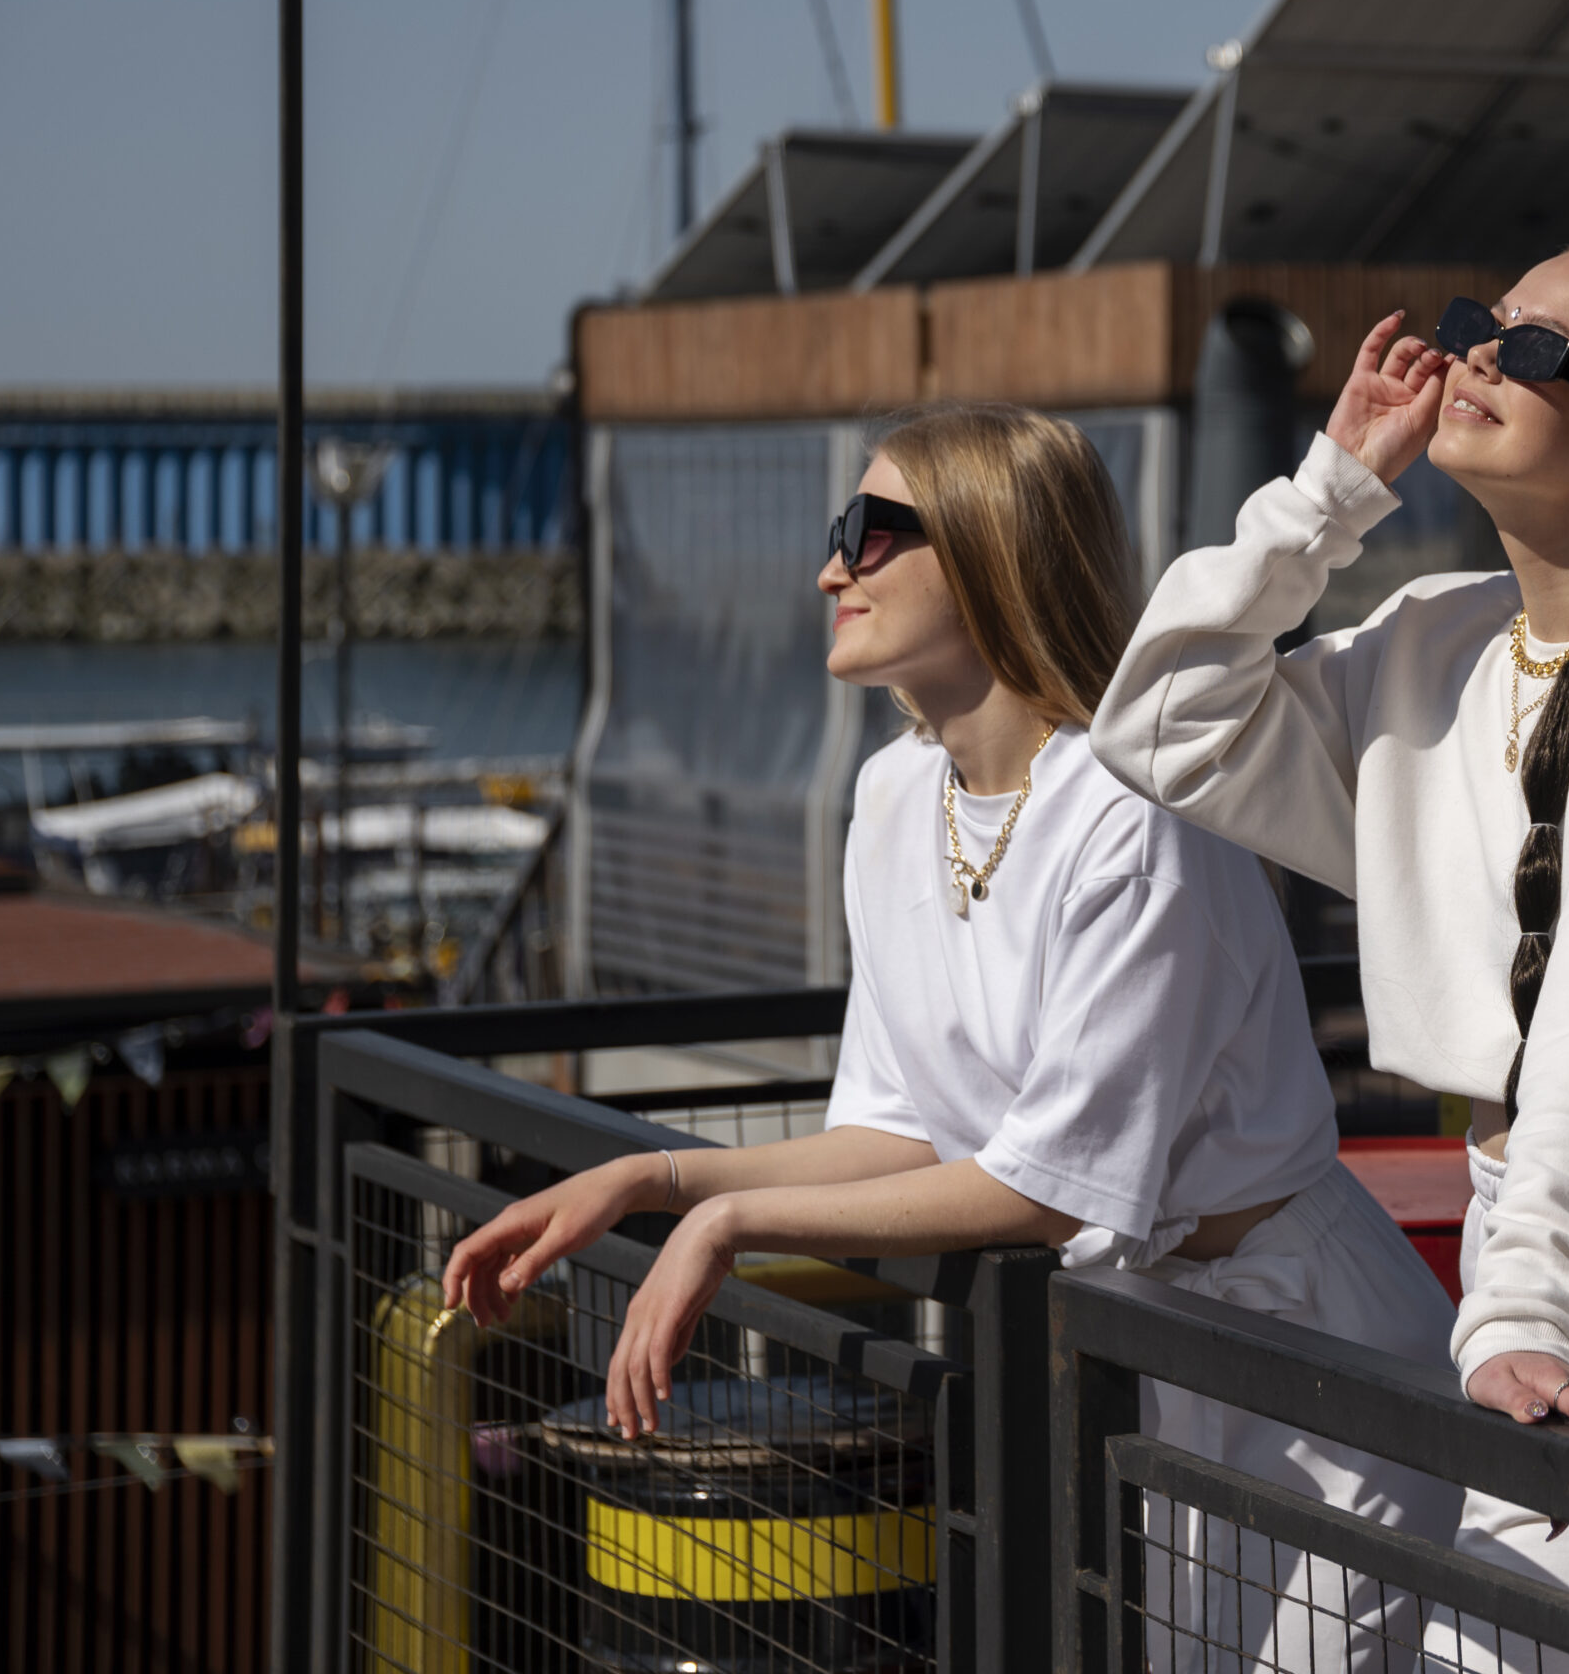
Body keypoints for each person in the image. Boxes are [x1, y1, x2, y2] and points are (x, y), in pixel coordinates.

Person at [439, 403, 1460, 1672]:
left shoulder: (1133, 818)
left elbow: (1040, 1186)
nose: (831, 570)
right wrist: (654, 1178)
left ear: (992, 546)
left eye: (868, 534)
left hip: (1315, 1374)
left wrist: (726, 1222)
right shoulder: (889, 797)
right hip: (1142, 1349)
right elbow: (898, 1131)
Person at [1091, 247, 1569, 1662]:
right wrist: (1330, 491)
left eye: (1539, 353)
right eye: (1483, 327)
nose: (1478, 357)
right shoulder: (1436, 641)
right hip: (1527, 1230)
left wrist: (1522, 1311)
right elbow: (1160, 720)